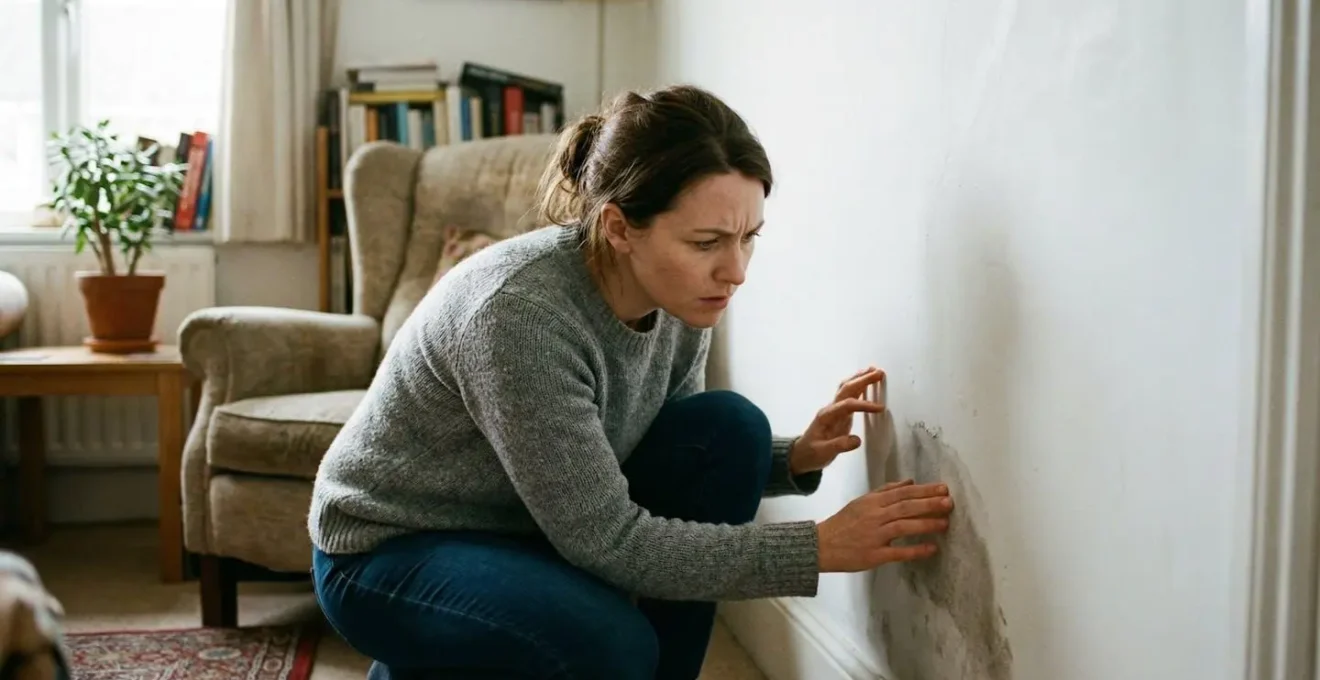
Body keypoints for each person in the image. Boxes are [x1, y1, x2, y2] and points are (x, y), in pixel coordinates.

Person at [307, 84, 955, 680]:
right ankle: (421, 654)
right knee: (610, 644)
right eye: (707, 242)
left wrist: (792, 459)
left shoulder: (679, 296)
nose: (735, 271)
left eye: (748, 238)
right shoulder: (518, 316)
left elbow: (651, 449)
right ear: (619, 228)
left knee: (731, 430)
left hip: (528, 521)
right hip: (388, 549)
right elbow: (608, 537)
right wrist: (816, 548)